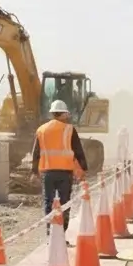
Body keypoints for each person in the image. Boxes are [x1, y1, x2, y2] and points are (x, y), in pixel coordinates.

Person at [31, 99, 87, 239]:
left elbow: (36, 153)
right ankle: (61, 235)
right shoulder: (69, 129)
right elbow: (78, 151)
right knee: (64, 203)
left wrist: (33, 172)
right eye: (66, 114)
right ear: (63, 114)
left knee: (49, 204)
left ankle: (50, 235)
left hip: (48, 173)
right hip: (65, 173)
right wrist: (83, 170)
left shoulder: (41, 130)